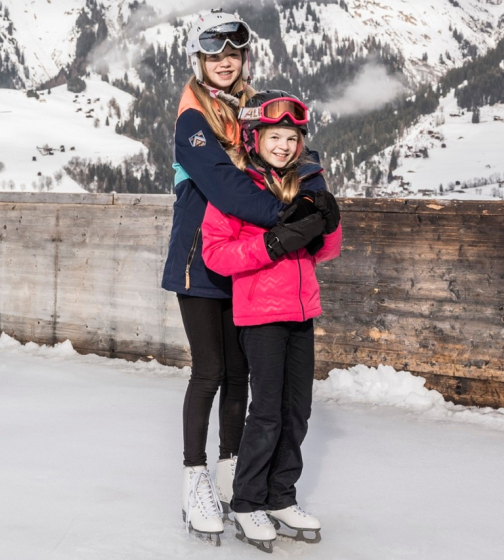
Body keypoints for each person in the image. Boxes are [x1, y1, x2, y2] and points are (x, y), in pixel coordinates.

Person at [162, 10, 325, 546]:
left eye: (234, 54)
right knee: (209, 371)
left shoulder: (249, 111)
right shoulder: (194, 119)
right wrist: (288, 217)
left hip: (243, 260)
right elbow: (226, 187)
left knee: (241, 374)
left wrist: (312, 197)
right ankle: (194, 479)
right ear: (199, 61)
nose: (226, 63)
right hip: (199, 260)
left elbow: (286, 157)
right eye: (215, 55)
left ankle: (233, 473)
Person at [201, 90, 342, 553]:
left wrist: (328, 223)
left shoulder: (305, 184)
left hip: (302, 310)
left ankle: (281, 496)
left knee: (297, 411)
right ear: (254, 138)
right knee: (266, 412)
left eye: (291, 138)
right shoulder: (239, 189)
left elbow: (325, 253)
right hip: (260, 314)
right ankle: (247, 501)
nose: (284, 145)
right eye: (275, 136)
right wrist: (272, 244)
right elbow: (216, 254)